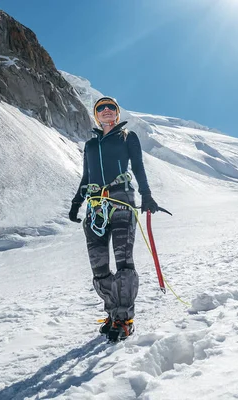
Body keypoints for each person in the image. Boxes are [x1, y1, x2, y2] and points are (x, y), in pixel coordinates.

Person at [69, 96, 159, 342]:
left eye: (111, 108)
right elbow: (86, 177)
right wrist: (77, 203)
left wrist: (147, 195)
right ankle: (112, 314)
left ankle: (125, 319)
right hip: (95, 207)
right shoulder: (90, 145)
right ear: (96, 115)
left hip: (121, 200)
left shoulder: (128, 137)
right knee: (99, 267)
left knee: (123, 262)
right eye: (101, 108)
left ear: (117, 114)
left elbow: (138, 167)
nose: (107, 111)